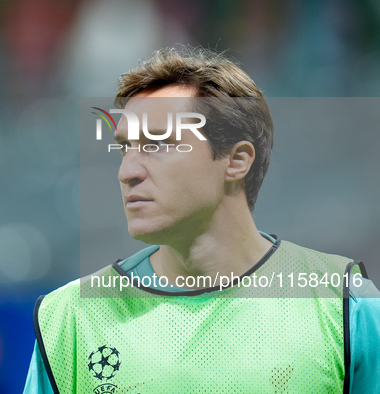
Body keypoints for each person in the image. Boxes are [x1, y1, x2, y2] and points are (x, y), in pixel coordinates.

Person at [23, 47, 380, 393]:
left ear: (236, 160)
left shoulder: (345, 302)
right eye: (125, 147)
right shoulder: (70, 317)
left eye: (158, 143)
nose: (127, 171)